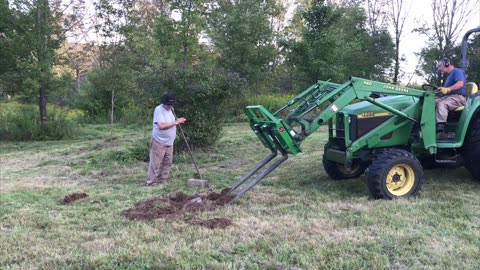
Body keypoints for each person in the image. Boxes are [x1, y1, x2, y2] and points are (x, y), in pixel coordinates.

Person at [146, 93, 186, 186]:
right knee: (155, 163)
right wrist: (176, 122)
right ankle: (151, 182)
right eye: (168, 104)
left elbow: (170, 122)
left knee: (167, 162)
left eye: (172, 104)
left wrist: (177, 120)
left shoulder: (172, 109)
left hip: (169, 141)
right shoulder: (159, 110)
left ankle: (162, 180)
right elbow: (161, 126)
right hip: (159, 141)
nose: (170, 106)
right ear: (164, 103)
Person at [435, 57, 466, 139]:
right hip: (449, 97)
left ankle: (440, 131)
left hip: (458, 97)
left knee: (442, 104)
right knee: (430, 102)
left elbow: (460, 84)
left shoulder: (457, 71)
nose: (439, 69)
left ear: (446, 63)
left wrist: (448, 89)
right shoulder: (449, 76)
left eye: (440, 66)